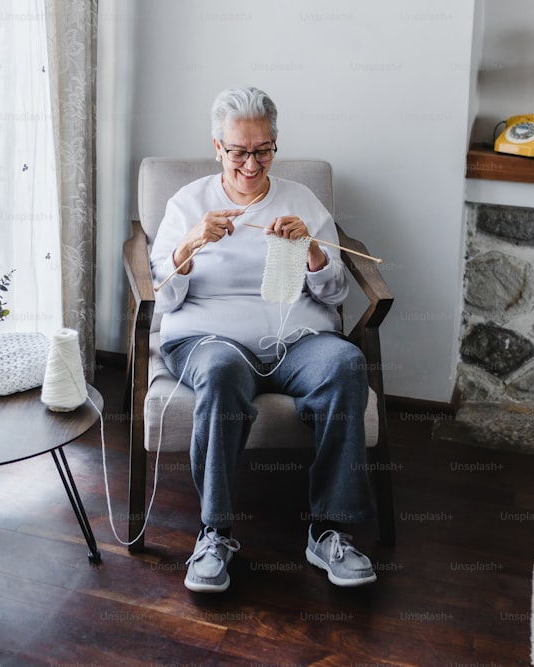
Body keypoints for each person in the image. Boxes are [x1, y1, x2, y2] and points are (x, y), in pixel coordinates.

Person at [150, 86, 377, 593]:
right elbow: (163, 299)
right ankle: (214, 534)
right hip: (208, 337)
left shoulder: (301, 200)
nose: (251, 164)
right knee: (222, 370)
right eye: (239, 152)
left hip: (295, 338)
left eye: (263, 150)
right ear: (217, 148)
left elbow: (336, 290)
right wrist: (190, 243)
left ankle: (330, 531)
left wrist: (315, 252)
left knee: (345, 366)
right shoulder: (188, 203)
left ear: (275, 145)